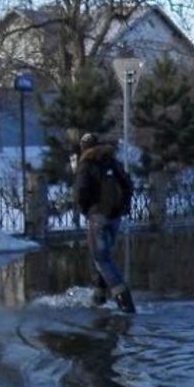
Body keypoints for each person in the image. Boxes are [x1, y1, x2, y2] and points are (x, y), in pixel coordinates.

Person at [74, 132, 136, 313]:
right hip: (114, 217)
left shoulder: (86, 164)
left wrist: (87, 210)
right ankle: (99, 295)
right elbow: (128, 184)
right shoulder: (111, 161)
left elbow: (80, 191)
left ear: (83, 147)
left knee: (102, 258)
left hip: (97, 216)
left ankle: (124, 300)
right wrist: (122, 208)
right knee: (102, 255)